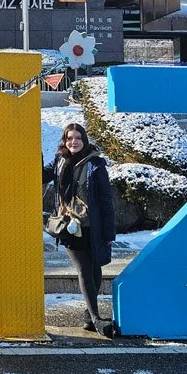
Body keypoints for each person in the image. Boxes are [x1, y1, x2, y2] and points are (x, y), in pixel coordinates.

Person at [43, 122, 117, 337]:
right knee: (84, 269)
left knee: (95, 269)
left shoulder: (96, 165)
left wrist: (109, 232)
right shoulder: (59, 161)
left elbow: (106, 201)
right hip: (69, 226)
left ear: (84, 140)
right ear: (64, 141)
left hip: (91, 226)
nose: (73, 142)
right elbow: (41, 175)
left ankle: (88, 316)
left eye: (77, 138)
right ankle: (96, 318)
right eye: (69, 138)